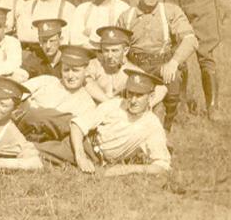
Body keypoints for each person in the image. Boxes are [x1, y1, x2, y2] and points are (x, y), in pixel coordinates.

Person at [36, 69, 171, 177]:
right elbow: (77, 125)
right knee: (35, 151)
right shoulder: (115, 104)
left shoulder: (152, 126)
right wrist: (80, 156)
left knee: (36, 153)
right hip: (84, 144)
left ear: (151, 97)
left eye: (139, 95)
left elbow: (162, 165)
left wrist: (126, 169)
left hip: (100, 160)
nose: (133, 100)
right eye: (130, 94)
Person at [116, 0, 198, 130]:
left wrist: (174, 62)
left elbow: (191, 39)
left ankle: (169, 121)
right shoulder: (126, 16)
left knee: (173, 78)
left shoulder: (170, 12)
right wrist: (126, 65)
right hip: (135, 66)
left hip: (161, 65)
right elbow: (117, 47)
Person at [12, 45, 96, 142]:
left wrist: (33, 109)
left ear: (86, 72)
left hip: (44, 144)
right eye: (66, 70)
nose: (70, 76)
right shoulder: (46, 81)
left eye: (75, 71)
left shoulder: (87, 105)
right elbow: (15, 93)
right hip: (15, 130)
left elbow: (72, 133)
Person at [83, 26, 167, 108]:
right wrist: (108, 102)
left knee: (159, 108)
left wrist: (146, 106)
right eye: (106, 50)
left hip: (122, 112)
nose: (109, 56)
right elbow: (86, 82)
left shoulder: (130, 70)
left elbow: (161, 88)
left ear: (125, 51)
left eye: (115, 51)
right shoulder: (94, 64)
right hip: (96, 110)